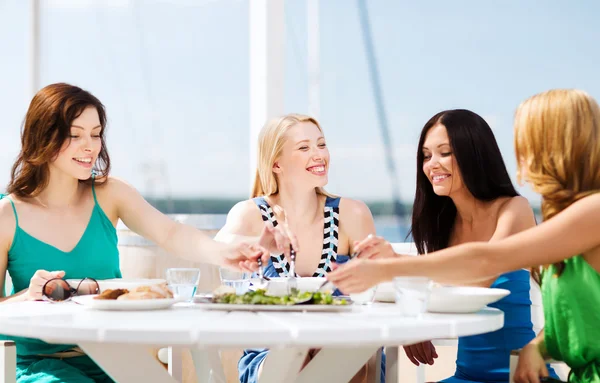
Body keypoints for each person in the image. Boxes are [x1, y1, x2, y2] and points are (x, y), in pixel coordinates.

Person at [0, 82, 268, 383]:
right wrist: (27, 296)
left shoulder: (111, 193)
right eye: (75, 135)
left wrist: (227, 253)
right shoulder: (7, 216)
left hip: (116, 359)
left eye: (96, 133)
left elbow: (171, 234)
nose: (90, 146)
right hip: (41, 367)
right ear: (43, 137)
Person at [328, 89, 600, 383]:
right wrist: (536, 347)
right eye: (427, 155)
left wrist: (388, 266)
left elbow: (484, 263)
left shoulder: (588, 211)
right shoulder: (565, 219)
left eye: (527, 141)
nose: (521, 155)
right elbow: (574, 315)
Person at [388, 109, 556, 382]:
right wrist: (410, 325)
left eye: (445, 152)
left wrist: (396, 268)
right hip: (465, 376)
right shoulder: (443, 224)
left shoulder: (513, 209)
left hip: (520, 375)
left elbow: (478, 276)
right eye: (426, 155)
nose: (432, 164)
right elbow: (438, 288)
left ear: (474, 154)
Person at [214, 113, 380, 383]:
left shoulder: (353, 214)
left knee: (334, 349)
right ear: (276, 163)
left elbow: (379, 282)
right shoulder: (251, 215)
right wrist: (257, 244)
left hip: (346, 349)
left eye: (321, 145)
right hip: (271, 356)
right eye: (304, 148)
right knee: (296, 354)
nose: (318, 155)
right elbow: (219, 246)